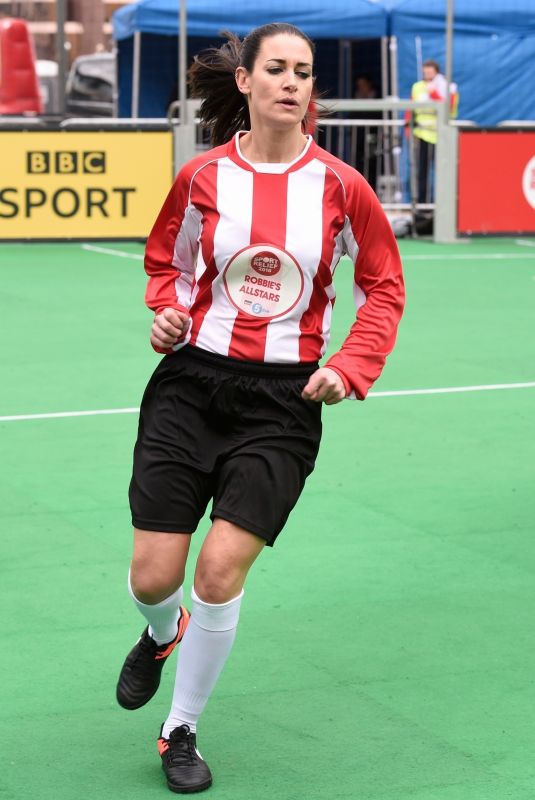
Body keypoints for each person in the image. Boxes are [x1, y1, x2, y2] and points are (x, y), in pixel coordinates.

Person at [116, 22, 405, 795]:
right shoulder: (202, 177)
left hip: (284, 401)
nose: (290, 82)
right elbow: (164, 265)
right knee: (154, 575)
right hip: (190, 385)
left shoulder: (344, 187)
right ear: (243, 82)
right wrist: (168, 313)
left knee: (217, 572)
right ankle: (157, 630)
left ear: (311, 89)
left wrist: (349, 365)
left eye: (302, 72)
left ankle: (179, 729)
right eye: (274, 68)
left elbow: (384, 285)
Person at [409, 59, 458, 203]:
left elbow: (449, 109)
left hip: (441, 137)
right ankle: (422, 202)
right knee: (422, 172)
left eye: (430, 71)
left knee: (442, 173)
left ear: (436, 72)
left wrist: (434, 93)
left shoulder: (446, 87)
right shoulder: (417, 87)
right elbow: (410, 107)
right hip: (422, 135)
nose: (427, 74)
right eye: (425, 71)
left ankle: (443, 202)